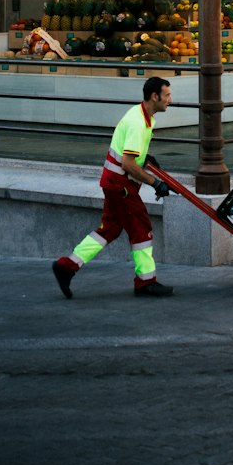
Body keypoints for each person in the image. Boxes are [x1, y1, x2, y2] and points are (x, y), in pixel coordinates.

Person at [52, 76, 174, 299]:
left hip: (114, 182)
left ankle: (67, 265)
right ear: (154, 96)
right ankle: (146, 282)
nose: (170, 100)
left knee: (108, 229)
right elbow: (127, 163)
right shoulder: (139, 123)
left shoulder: (141, 115)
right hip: (121, 185)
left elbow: (129, 154)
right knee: (141, 227)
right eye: (166, 95)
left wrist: (145, 158)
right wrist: (154, 182)